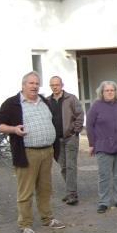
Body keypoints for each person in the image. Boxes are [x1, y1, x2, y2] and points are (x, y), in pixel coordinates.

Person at [0, 71, 66, 233]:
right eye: (31, 83)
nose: (34, 86)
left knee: (45, 189)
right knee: (25, 191)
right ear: (23, 85)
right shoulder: (12, 103)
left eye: (37, 83)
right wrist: (13, 130)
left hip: (47, 151)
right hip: (27, 152)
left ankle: (47, 218)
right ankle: (25, 225)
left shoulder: (44, 101)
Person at [86, 81, 117, 214]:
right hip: (103, 145)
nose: (109, 92)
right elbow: (89, 126)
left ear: (115, 91)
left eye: (112, 90)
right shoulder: (96, 106)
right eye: (106, 90)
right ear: (102, 92)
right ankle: (104, 202)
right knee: (104, 175)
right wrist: (91, 144)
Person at [48, 76, 84, 205]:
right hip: (56, 140)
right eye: (52, 85)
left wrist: (75, 131)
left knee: (70, 166)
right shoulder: (47, 101)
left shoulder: (71, 98)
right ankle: (70, 191)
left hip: (70, 138)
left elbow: (80, 114)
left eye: (57, 84)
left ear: (62, 85)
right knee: (63, 166)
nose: (55, 87)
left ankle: (71, 194)